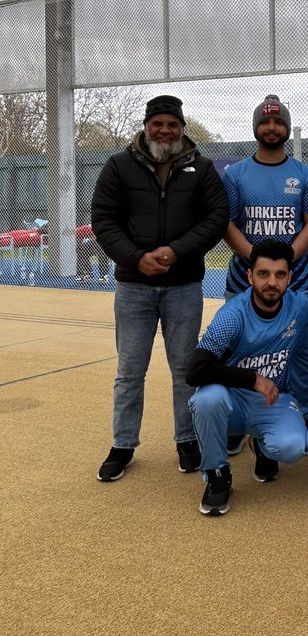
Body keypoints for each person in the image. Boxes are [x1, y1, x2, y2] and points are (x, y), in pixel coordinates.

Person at [91, 94, 229, 482]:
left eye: (172, 124)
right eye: (158, 123)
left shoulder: (201, 169)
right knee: (130, 369)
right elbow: (103, 219)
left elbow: (216, 218)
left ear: (181, 128)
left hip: (184, 284)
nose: (165, 130)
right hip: (134, 286)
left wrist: (175, 251)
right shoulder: (119, 166)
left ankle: (187, 440)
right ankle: (123, 444)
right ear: (147, 126)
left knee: (185, 369)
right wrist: (136, 258)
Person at [221, 94, 308, 448]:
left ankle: (305, 412)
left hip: (297, 279)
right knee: (238, 350)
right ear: (255, 128)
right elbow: (227, 223)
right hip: (244, 279)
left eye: (278, 122)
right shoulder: (235, 174)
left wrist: (285, 262)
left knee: (301, 350)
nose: (272, 127)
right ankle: (236, 422)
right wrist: (258, 263)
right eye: (265, 122)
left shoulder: (305, 174)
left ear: (286, 127)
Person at [186, 241, 308, 516]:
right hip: (232, 399)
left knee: (292, 447)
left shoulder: (300, 304)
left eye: (280, 275)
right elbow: (195, 369)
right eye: (263, 274)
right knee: (207, 399)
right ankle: (217, 474)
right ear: (249, 276)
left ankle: (262, 445)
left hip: (273, 400)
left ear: (290, 278)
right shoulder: (232, 316)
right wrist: (252, 378)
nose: (272, 282)